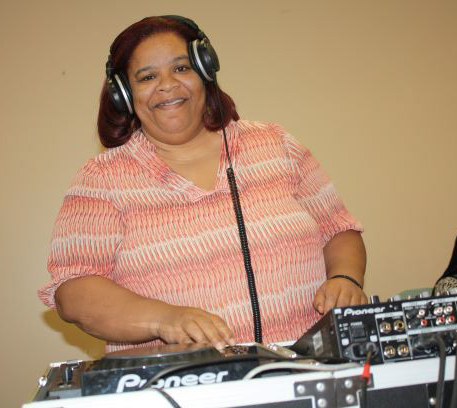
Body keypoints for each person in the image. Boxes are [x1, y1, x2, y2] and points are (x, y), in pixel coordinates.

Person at [38, 16, 367, 353]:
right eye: (147, 77)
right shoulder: (101, 179)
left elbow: (338, 229)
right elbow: (74, 293)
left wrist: (345, 277)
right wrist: (165, 319)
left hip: (310, 367)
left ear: (205, 73)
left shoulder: (275, 143)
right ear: (124, 94)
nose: (167, 85)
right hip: (176, 380)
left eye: (181, 68)